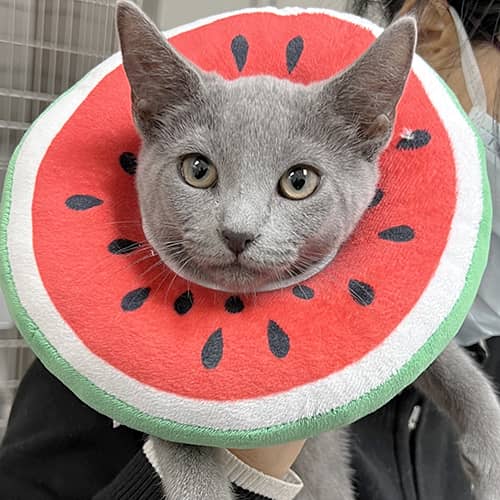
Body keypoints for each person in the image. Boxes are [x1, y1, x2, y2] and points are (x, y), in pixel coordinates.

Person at [0, 1, 498, 498]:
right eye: (200, 171)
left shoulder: (457, 334)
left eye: (296, 182)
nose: (239, 226)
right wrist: (197, 453)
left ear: (369, 134)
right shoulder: (97, 328)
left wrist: (476, 409)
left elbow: (400, 325)